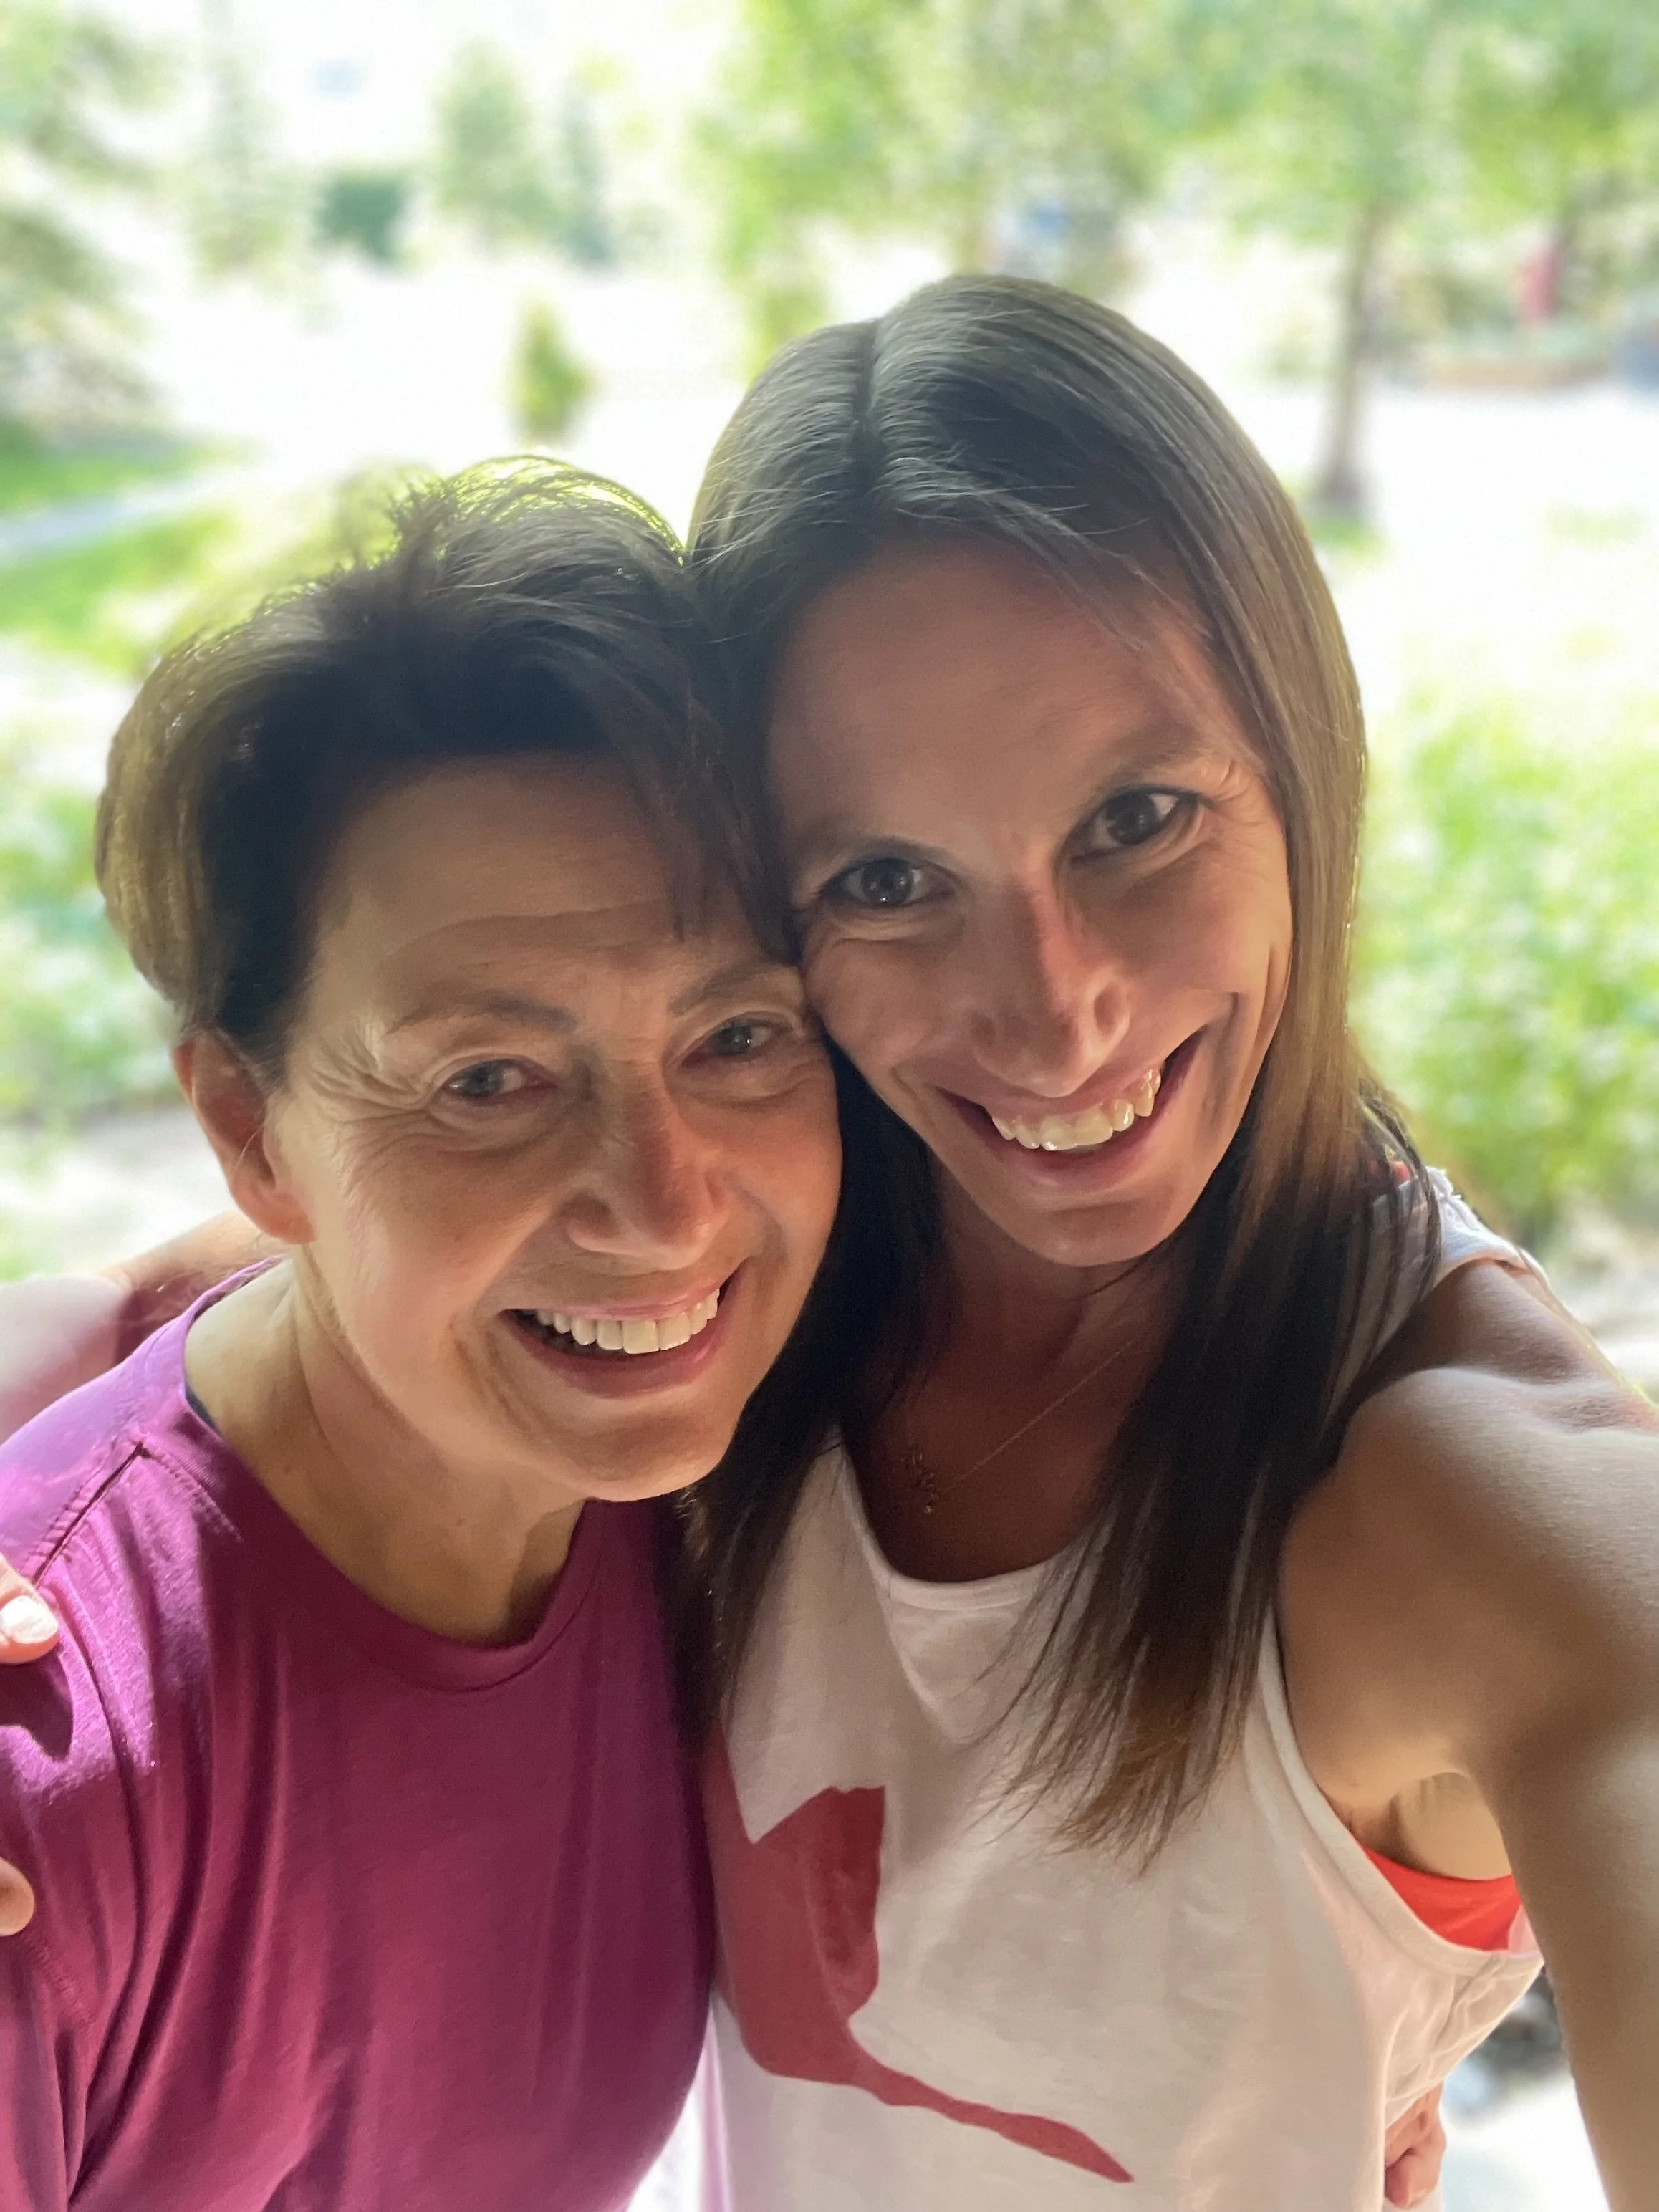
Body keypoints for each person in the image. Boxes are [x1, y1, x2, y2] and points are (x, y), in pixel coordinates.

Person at [4, 279, 1655, 2208]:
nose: (1052, 1017)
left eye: (1135, 818)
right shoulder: (786, 1228)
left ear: (1303, 763)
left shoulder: (1471, 1490)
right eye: (884, 878)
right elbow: (273, 1238)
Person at [0, 466, 843, 2209]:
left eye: (739, 1035)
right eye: (488, 1080)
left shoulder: (730, 1484)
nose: (663, 1207)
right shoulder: (50, 1766)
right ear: (253, 1133)